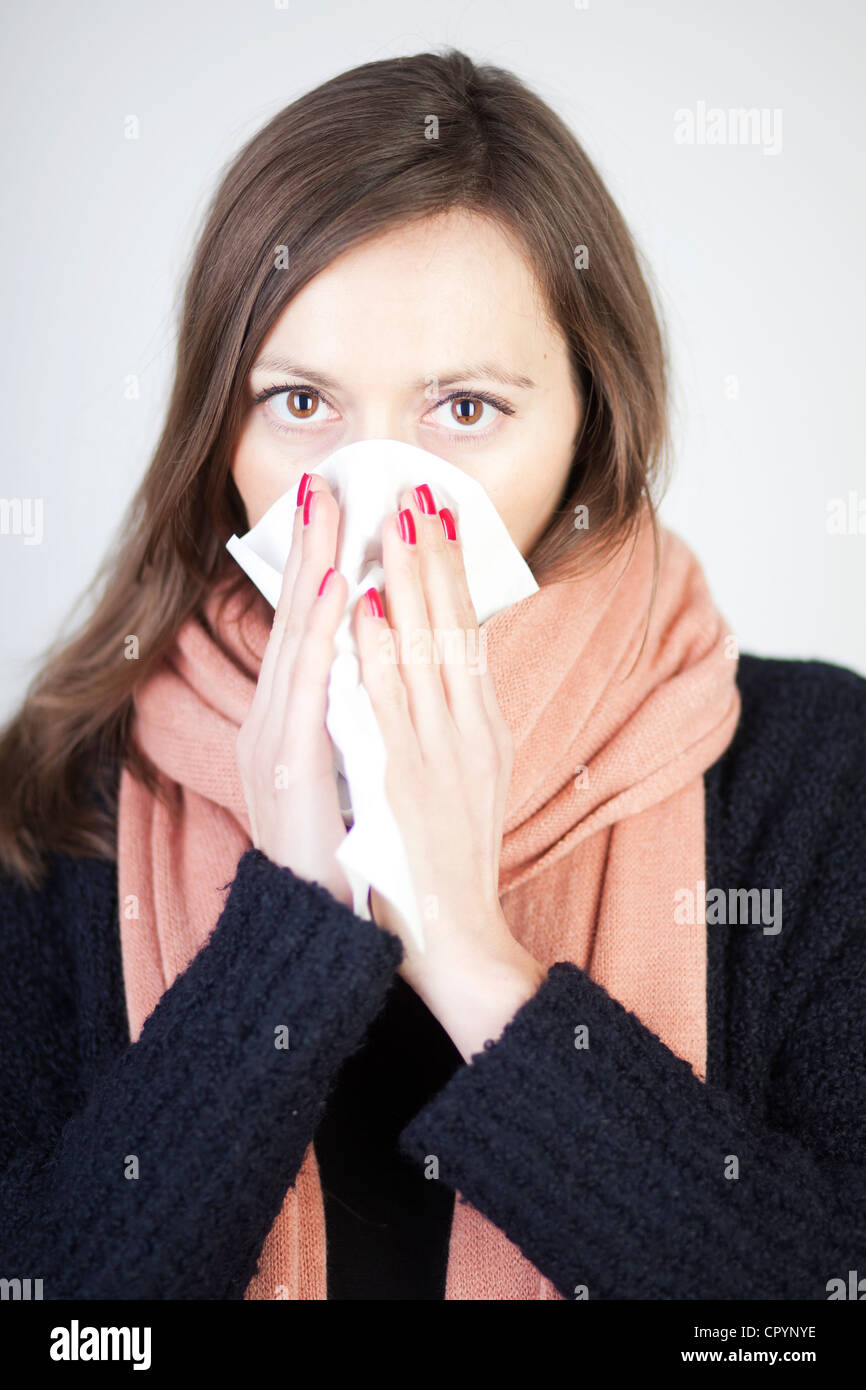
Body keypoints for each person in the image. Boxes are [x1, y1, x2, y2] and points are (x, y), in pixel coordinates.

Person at [0, 48, 863, 1302]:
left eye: (462, 409)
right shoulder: (59, 797)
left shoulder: (815, 777)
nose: (369, 490)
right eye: (301, 400)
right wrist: (284, 933)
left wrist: (465, 950)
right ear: (217, 427)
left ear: (589, 429)